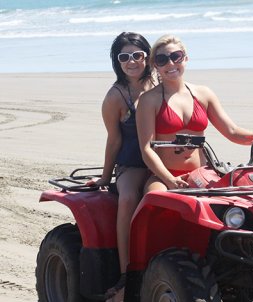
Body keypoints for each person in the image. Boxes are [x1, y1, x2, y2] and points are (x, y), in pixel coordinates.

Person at [137, 34, 253, 192]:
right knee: (156, 197)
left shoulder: (203, 94)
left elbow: (232, 131)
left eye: (176, 56)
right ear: (155, 65)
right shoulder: (148, 100)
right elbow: (147, 149)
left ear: (185, 58)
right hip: (164, 176)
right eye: (162, 60)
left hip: (202, 173)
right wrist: (170, 179)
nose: (171, 63)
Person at [88, 32, 155, 302]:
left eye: (137, 55)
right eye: (124, 57)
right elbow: (114, 141)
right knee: (128, 198)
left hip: (165, 162)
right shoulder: (115, 97)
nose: (131, 61)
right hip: (132, 164)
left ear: (147, 56)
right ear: (117, 62)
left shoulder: (160, 83)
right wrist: (106, 177)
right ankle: (127, 272)